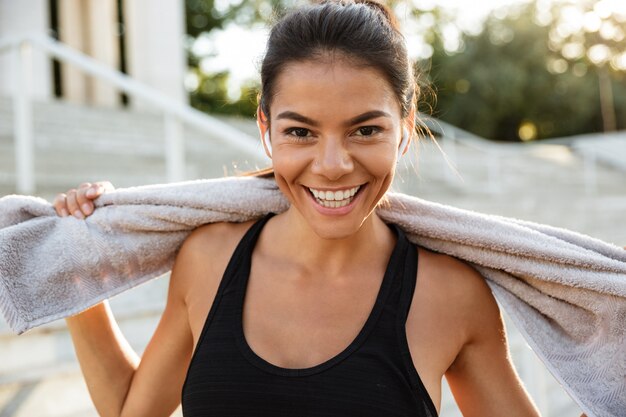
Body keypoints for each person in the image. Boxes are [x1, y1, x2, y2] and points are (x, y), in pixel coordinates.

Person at [54, 1, 546, 416]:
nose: (332, 165)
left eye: (366, 129)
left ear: (406, 129)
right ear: (266, 129)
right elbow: (129, 411)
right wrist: (77, 270)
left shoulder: (451, 294)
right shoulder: (209, 259)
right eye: (300, 132)